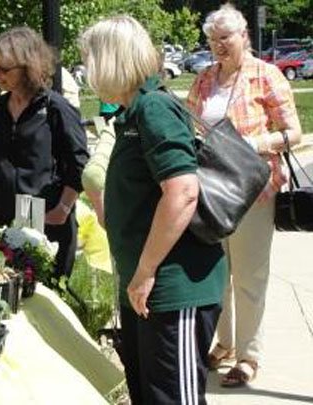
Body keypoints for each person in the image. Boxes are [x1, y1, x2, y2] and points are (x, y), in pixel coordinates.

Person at [80, 16, 227, 404]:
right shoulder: (132, 111)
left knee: (174, 398)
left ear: (111, 59)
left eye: (89, 58)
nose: (86, 69)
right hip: (147, 287)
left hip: (173, 286)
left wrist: (145, 272)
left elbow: (181, 192)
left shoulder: (154, 108)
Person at [187, 4, 301, 387]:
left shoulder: (265, 75)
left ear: (244, 37)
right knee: (217, 274)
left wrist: (251, 144)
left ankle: (249, 355)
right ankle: (225, 344)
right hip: (211, 190)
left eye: (226, 38)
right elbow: (191, 123)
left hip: (254, 190)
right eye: (213, 39)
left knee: (250, 277)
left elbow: (293, 133)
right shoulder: (204, 78)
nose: (219, 46)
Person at [0, 27, 89, 278]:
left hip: (48, 222)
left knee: (44, 297)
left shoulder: (57, 109)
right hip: (6, 221)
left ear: (28, 67)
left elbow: (79, 163)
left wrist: (63, 209)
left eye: (4, 69)